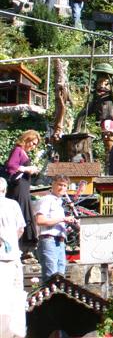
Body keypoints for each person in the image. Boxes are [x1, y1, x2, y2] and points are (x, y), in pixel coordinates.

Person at [5, 131, 40, 258]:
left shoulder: (22, 152)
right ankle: (19, 246)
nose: (33, 146)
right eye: (33, 143)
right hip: (18, 189)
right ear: (27, 138)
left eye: (36, 145)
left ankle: (24, 248)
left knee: (24, 213)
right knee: (20, 214)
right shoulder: (18, 150)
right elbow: (10, 166)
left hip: (23, 189)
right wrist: (27, 169)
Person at [34, 176, 76, 283]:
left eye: (65, 186)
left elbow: (57, 223)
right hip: (48, 240)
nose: (62, 188)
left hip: (60, 241)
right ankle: (50, 299)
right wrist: (63, 219)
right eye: (59, 185)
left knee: (60, 278)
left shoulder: (60, 203)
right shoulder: (46, 200)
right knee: (51, 277)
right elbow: (40, 220)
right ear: (52, 185)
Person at [0, 177, 25, 337]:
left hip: (4, 258)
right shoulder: (13, 205)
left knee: (4, 301)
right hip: (14, 256)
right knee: (15, 299)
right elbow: (20, 229)